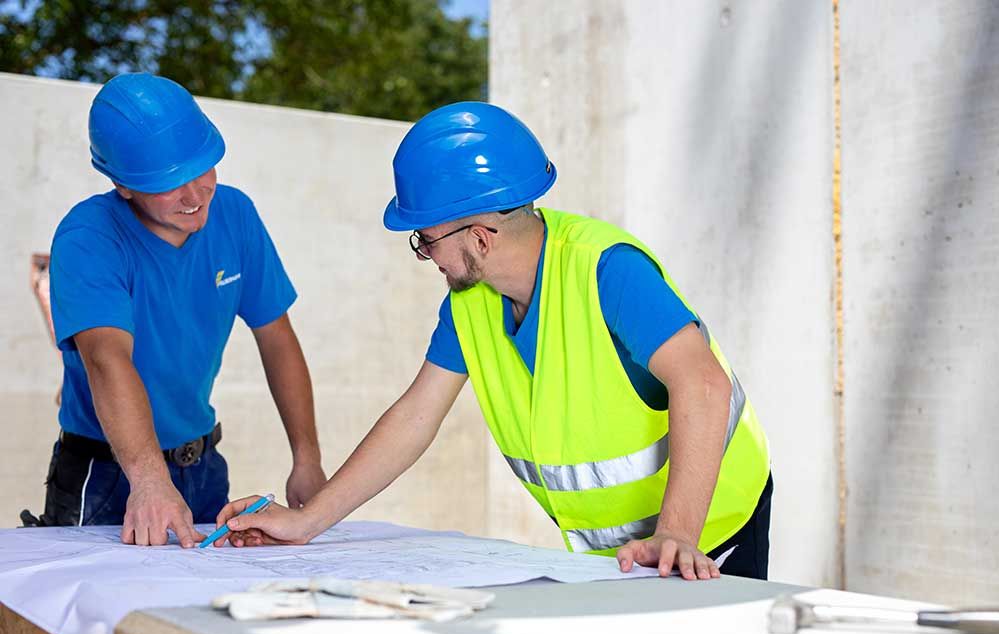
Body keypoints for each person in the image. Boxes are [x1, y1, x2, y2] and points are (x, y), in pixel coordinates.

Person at [215, 102, 773, 580]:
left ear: (479, 236)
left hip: (710, 532)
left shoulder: (606, 269)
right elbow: (415, 417)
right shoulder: (469, 304)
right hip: (619, 556)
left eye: (425, 240)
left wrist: (678, 534)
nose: (426, 256)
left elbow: (701, 382)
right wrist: (307, 522)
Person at [24, 73, 326, 548]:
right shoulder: (89, 237)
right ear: (123, 184)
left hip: (202, 468)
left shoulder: (236, 215)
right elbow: (106, 360)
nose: (194, 195)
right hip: (106, 475)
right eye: (169, 184)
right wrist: (147, 480)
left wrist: (307, 458)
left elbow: (277, 338)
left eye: (202, 170)